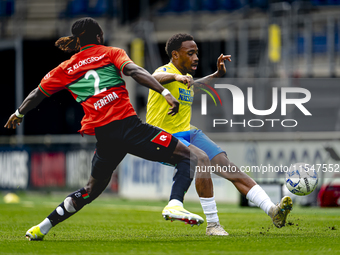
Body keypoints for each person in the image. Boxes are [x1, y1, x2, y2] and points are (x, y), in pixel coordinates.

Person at [4, 18, 204, 241]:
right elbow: (136, 71)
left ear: (78, 40)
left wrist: (19, 113)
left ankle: (43, 226)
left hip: (105, 136)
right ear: (99, 35)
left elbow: (37, 93)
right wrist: (165, 93)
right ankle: (174, 204)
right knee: (189, 157)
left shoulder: (65, 67)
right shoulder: (111, 53)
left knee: (90, 190)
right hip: (129, 127)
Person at [146, 33, 293, 235]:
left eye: (197, 53)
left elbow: (194, 87)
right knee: (202, 159)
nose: (196, 57)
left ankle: (272, 210)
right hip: (162, 137)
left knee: (228, 166)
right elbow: (152, 78)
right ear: (175, 55)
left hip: (187, 132)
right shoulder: (166, 72)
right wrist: (175, 76)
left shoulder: (186, 78)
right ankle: (213, 225)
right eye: (190, 53)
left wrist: (216, 75)